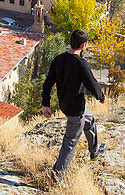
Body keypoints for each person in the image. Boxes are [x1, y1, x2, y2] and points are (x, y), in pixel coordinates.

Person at [42, 28, 106, 180]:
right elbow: (92, 83)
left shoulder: (58, 59)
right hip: (75, 110)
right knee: (70, 143)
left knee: (89, 120)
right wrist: (101, 97)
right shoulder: (81, 63)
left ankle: (94, 150)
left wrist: (46, 104)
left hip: (66, 104)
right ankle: (57, 177)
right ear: (84, 45)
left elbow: (47, 84)